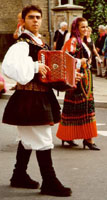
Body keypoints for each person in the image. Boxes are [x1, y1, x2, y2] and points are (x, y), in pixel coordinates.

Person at [2, 5, 72, 197]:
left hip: (39, 96)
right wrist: (34, 66)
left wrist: (70, 78)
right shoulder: (22, 44)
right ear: (23, 20)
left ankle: (19, 175)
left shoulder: (40, 43)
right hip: (29, 97)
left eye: (38, 17)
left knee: (27, 139)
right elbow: (9, 67)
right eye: (31, 17)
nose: (36, 20)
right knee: (43, 139)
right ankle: (49, 181)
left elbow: (50, 71)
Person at [56, 17, 100, 150]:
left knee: (77, 108)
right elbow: (65, 58)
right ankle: (88, 139)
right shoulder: (73, 41)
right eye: (82, 27)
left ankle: (68, 136)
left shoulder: (85, 41)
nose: (85, 29)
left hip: (85, 77)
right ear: (76, 28)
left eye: (87, 27)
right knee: (84, 107)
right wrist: (79, 61)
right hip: (78, 78)